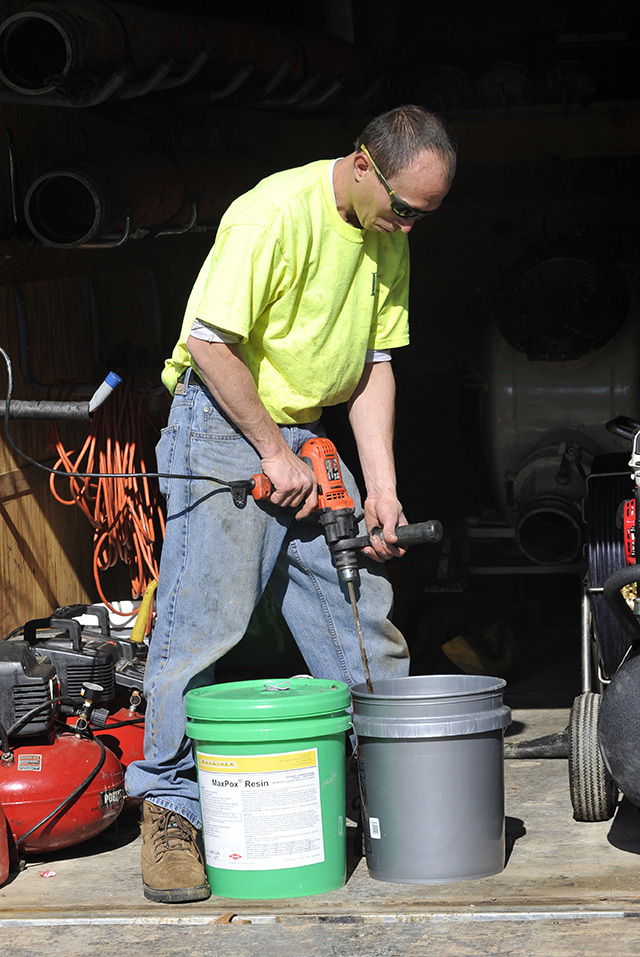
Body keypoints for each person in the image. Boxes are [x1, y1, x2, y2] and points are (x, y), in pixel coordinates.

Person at [125, 104, 457, 902]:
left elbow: (374, 362)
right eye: (404, 208)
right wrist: (271, 451)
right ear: (362, 163)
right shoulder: (272, 213)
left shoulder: (386, 235)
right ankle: (170, 811)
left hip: (305, 432)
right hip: (223, 423)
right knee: (204, 623)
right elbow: (208, 341)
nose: (409, 226)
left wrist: (381, 484)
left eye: (425, 215)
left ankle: (388, 786)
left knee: (360, 611)